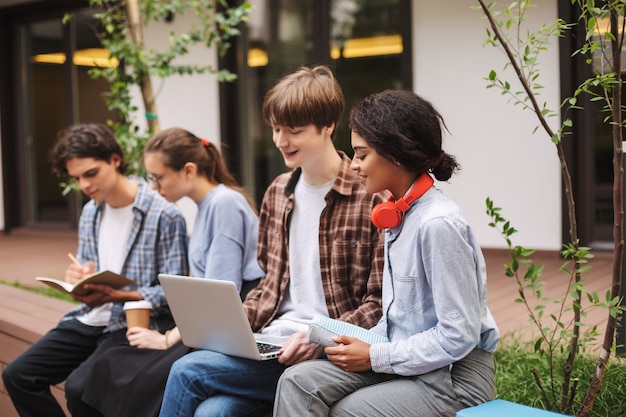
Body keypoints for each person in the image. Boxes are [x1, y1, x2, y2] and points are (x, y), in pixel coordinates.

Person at [158, 65, 385, 417]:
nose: (280, 141)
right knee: (214, 412)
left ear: (328, 126)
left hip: (329, 350)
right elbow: (270, 284)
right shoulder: (279, 192)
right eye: (276, 129)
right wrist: (230, 323)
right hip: (274, 342)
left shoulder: (369, 197)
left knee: (188, 371)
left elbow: (379, 303)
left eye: (293, 130)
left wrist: (319, 335)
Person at [273, 89, 500, 417]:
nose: (354, 166)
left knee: (348, 411)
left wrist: (374, 357)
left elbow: (458, 335)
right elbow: (400, 322)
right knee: (297, 382)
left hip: (454, 380)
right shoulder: (397, 216)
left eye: (362, 155)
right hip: (408, 363)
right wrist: (345, 340)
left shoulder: (437, 224)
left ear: (395, 154)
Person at [1, 123, 189, 417]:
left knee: (79, 389)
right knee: (18, 375)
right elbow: (87, 266)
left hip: (133, 321)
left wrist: (119, 295)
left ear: (115, 160)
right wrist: (79, 281)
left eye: (91, 173)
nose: (85, 185)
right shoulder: (91, 211)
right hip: (91, 317)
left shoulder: (163, 213)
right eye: (77, 178)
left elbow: (175, 290)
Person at [79, 127, 265, 417]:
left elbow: (220, 296)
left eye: (158, 177)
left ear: (188, 170)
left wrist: (166, 339)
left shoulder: (224, 204)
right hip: (214, 328)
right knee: (113, 364)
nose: (153, 187)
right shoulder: (207, 206)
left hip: (230, 331)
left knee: (125, 372)